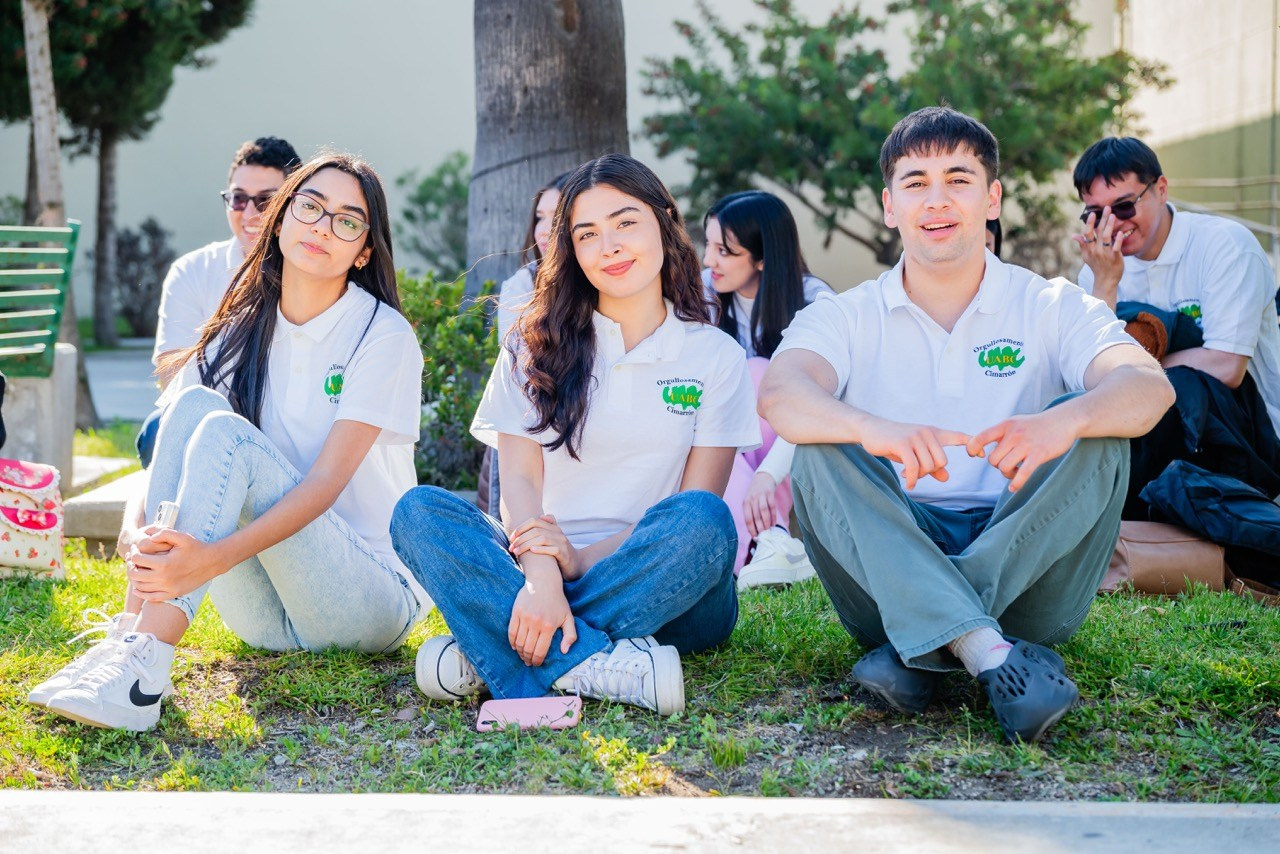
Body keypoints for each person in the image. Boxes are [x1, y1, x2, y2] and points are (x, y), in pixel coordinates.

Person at [759, 108, 1174, 743]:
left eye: (958, 179)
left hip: (1029, 567)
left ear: (992, 198)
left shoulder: (1051, 303)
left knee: (1098, 428)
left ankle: (926, 645)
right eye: (915, 182)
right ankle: (988, 652)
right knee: (820, 448)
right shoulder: (846, 314)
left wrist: (1062, 423)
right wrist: (873, 429)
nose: (937, 200)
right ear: (890, 205)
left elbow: (1148, 386)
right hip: (888, 564)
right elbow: (781, 394)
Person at [28, 153, 427, 731]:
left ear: (364, 250)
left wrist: (209, 560)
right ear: (280, 220)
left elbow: (324, 485)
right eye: (310, 207)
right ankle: (128, 640)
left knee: (226, 434)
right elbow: (170, 434)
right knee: (195, 405)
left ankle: (142, 675)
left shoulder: (381, 334)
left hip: (367, 599)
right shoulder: (241, 326)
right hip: (267, 616)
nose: (322, 227)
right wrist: (134, 528)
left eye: (347, 220)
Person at [392, 154, 760, 716]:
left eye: (625, 222)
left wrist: (578, 562)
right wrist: (541, 575)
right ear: (570, 249)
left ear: (665, 222)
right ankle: (591, 662)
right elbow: (518, 481)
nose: (608, 247)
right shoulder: (530, 345)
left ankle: (503, 646)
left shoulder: (715, 356)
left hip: (666, 579)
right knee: (418, 512)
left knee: (705, 521)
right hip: (535, 565)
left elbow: (696, 501)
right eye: (587, 234)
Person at [1072, 137, 1280, 515]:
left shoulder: (1224, 246)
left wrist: (1133, 368)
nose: (1113, 223)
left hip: (1252, 439)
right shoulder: (1098, 269)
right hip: (1156, 442)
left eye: (1124, 206)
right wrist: (1105, 286)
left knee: (1180, 384)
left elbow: (1227, 367)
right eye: (1096, 213)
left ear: (1161, 189)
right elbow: (1090, 374)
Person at [136, 136, 301, 467]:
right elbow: (172, 375)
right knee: (156, 431)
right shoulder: (192, 270)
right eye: (238, 199)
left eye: (266, 200)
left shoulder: (311, 272)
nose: (249, 213)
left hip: (291, 424)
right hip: (210, 416)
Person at [701, 190, 834, 589]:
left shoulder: (814, 302)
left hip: (801, 439)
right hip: (725, 437)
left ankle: (747, 551)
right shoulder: (704, 293)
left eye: (724, 251)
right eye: (708, 245)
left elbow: (815, 408)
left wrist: (767, 475)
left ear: (762, 259)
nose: (708, 261)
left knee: (760, 372)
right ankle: (769, 543)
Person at [495, 171, 573, 341]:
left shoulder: (605, 277)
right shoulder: (521, 287)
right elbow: (515, 355)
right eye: (540, 218)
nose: (543, 230)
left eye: (556, 218)